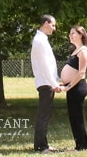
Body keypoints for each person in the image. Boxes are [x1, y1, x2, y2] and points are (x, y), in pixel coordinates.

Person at [30, 14, 63, 153]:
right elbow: (45, 66)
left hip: (46, 82)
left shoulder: (42, 40)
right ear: (45, 23)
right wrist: (53, 83)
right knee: (43, 115)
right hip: (45, 83)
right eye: (53, 25)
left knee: (45, 115)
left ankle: (43, 144)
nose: (54, 28)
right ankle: (41, 147)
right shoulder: (40, 41)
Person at [59, 25, 87, 151]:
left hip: (77, 88)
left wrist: (69, 86)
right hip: (72, 87)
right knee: (74, 118)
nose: (70, 36)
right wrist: (64, 84)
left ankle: (82, 146)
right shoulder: (75, 50)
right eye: (70, 33)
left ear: (81, 35)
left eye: (73, 33)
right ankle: (79, 145)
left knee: (77, 118)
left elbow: (81, 72)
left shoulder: (83, 51)